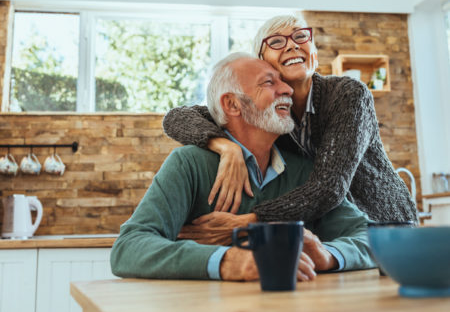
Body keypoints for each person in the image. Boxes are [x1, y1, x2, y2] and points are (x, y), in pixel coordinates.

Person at [110, 53, 376, 281]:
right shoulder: (188, 164)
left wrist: (327, 255)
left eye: (283, 82)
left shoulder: (304, 171)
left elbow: (371, 238)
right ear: (232, 104)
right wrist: (229, 261)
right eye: (269, 83)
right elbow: (129, 248)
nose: (287, 90)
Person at [163, 14, 417, 241]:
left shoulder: (348, 95)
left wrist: (248, 222)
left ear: (313, 52)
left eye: (300, 36)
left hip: (383, 226)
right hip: (329, 233)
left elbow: (329, 187)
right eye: (276, 42)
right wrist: (226, 147)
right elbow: (176, 118)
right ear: (262, 62)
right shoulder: (265, 113)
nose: (292, 44)